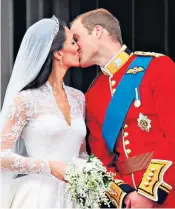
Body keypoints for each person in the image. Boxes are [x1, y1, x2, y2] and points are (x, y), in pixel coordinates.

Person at [70, 8, 175, 208]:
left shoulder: (158, 67)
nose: (74, 47)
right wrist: (125, 196)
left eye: (77, 38)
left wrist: (148, 193)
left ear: (98, 31)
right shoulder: (92, 94)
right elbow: (100, 159)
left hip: (167, 192)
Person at [0, 16, 88, 208]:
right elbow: (1, 155)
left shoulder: (79, 98)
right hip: (39, 197)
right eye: (73, 42)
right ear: (58, 53)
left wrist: (91, 175)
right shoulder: (25, 100)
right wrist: (48, 166)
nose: (79, 47)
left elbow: (82, 154)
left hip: (75, 198)